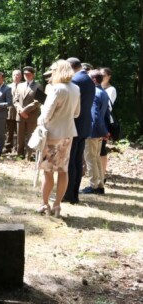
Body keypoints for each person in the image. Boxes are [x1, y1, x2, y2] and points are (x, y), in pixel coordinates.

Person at [35, 60, 80, 218]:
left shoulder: (57, 89)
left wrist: (41, 114)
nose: (51, 73)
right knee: (63, 170)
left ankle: (45, 204)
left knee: (48, 171)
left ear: (58, 71)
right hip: (68, 134)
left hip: (53, 135)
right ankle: (57, 206)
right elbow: (76, 113)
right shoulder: (75, 88)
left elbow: (45, 116)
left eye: (53, 70)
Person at [62, 57, 95, 204]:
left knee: (71, 161)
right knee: (77, 161)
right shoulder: (88, 79)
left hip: (74, 124)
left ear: (70, 66)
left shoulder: (75, 81)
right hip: (85, 125)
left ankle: (68, 194)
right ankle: (74, 194)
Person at [81, 70, 110, 195]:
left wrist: (103, 131)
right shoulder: (103, 92)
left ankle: (93, 186)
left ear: (93, 80)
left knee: (90, 158)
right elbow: (105, 114)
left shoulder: (94, 93)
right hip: (99, 131)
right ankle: (100, 185)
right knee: (96, 158)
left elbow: (96, 116)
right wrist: (104, 131)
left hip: (92, 131)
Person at [13, 66, 43, 160]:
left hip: (31, 116)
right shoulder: (20, 85)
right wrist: (20, 110)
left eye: (28, 74)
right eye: (25, 74)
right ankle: (19, 154)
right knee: (20, 136)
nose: (26, 75)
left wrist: (25, 110)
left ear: (33, 75)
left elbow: (38, 101)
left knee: (31, 136)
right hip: (20, 116)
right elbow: (15, 100)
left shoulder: (39, 86)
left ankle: (29, 156)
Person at [100, 67, 117, 180]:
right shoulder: (96, 88)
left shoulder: (111, 90)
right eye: (100, 75)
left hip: (104, 121)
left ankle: (102, 175)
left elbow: (108, 107)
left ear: (109, 76)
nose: (102, 77)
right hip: (97, 120)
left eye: (104, 75)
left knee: (102, 148)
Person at [5, 70, 22, 153]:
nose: (16, 76)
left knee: (19, 132)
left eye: (18, 75)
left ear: (21, 76)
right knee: (9, 130)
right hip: (10, 111)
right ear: (12, 76)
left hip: (20, 112)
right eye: (14, 75)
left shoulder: (23, 86)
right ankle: (8, 147)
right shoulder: (7, 86)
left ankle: (17, 147)